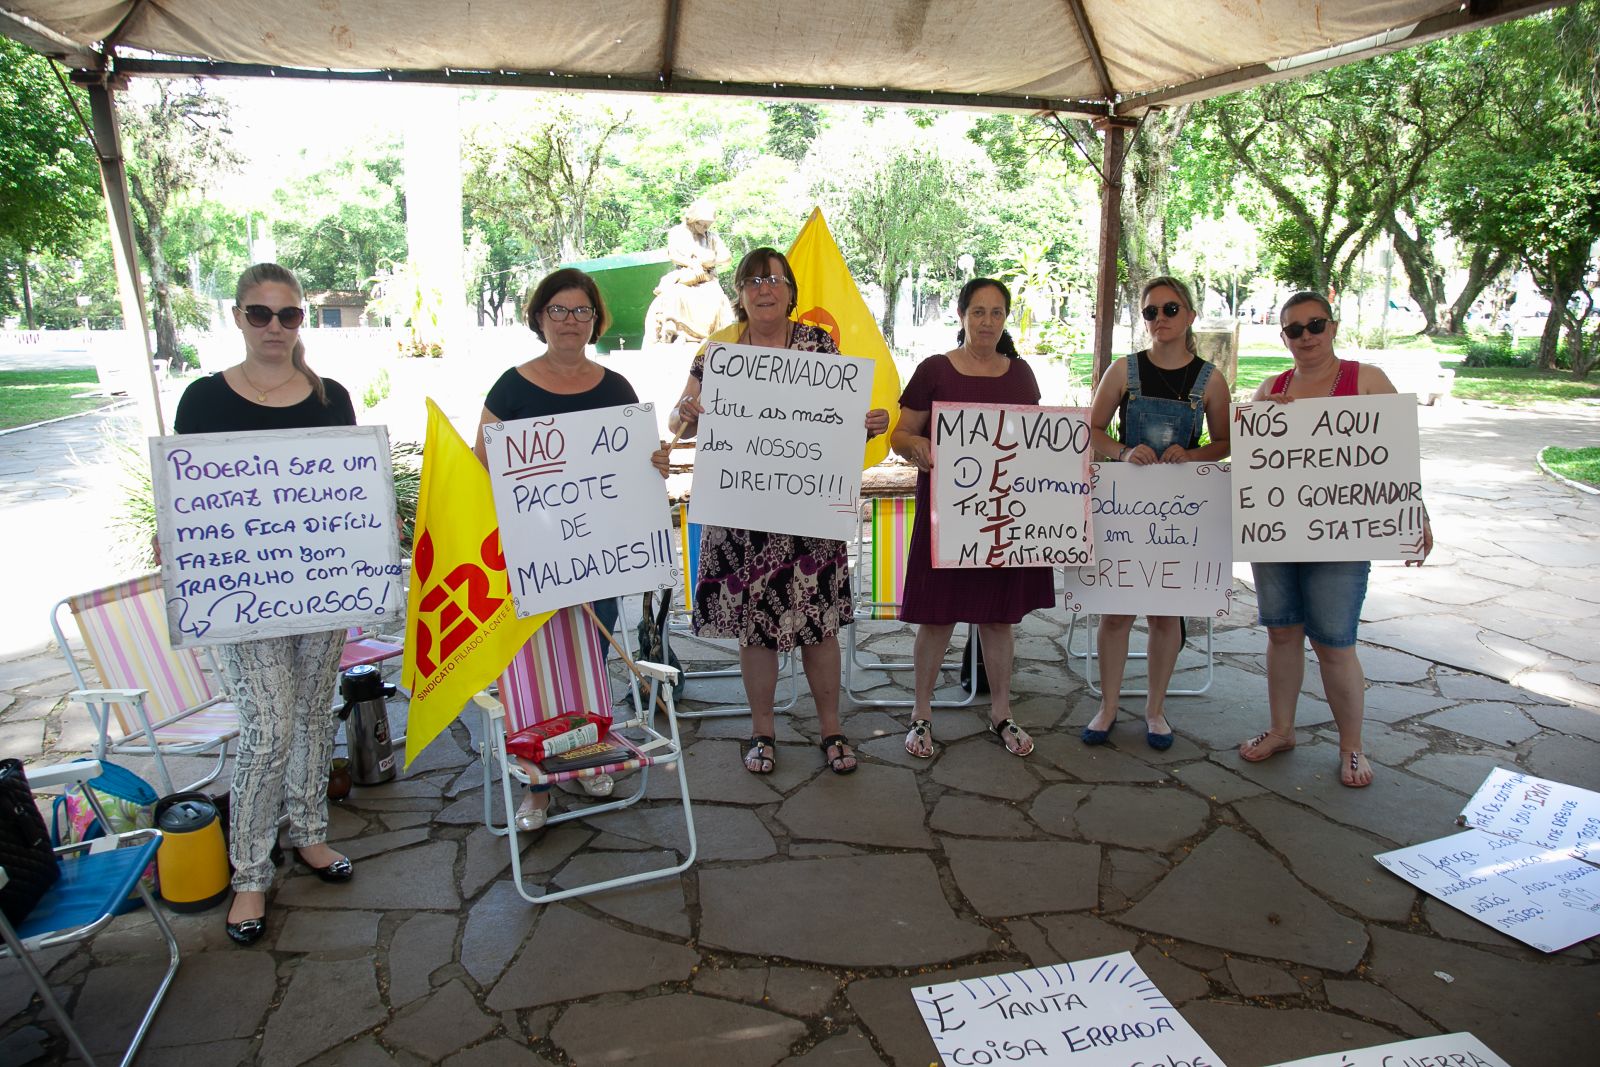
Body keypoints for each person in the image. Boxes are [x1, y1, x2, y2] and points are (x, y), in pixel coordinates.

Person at [172, 263, 359, 946]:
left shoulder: (330, 397)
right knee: (270, 725)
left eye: (289, 315)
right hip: (240, 593)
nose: (275, 327)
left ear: (301, 321)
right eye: (260, 314)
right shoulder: (203, 399)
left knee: (312, 713)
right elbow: (188, 497)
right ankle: (250, 870)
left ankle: (308, 834)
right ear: (238, 317)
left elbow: (348, 490)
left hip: (320, 585)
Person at [668, 246, 889, 776]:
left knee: (821, 626)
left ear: (790, 291)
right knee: (754, 628)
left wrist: (867, 422)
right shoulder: (717, 353)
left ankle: (831, 728)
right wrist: (687, 412)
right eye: (753, 280)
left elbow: (839, 420)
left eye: (774, 279)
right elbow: (684, 421)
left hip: (809, 515)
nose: (765, 288)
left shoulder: (818, 345)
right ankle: (761, 732)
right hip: (742, 516)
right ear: (740, 294)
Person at [1236, 291, 1433, 787]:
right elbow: (1250, 468)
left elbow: (1397, 454)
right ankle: (1282, 729)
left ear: (1333, 326)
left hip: (1341, 537)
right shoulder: (1270, 387)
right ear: (1283, 336)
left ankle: (1352, 747)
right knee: (1281, 632)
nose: (1306, 337)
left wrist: (1415, 511)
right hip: (1277, 535)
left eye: (1315, 325)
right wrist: (1264, 417)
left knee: (1335, 643)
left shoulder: (1365, 380)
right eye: (1295, 329)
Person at [474, 267, 642, 831]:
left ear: (595, 320)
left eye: (582, 311)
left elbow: (634, 467)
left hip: (598, 556)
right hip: (530, 559)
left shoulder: (617, 388)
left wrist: (654, 463)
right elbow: (482, 466)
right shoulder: (511, 387)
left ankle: (586, 759)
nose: (571, 321)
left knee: (589, 663)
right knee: (531, 673)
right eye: (559, 310)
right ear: (539, 317)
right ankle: (535, 788)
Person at [890, 278, 1055, 759]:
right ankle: (921, 714)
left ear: (1006, 318)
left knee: (999, 619)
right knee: (936, 619)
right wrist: (916, 446)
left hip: (1004, 516)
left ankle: (1001, 711)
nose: (987, 322)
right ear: (961, 315)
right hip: (948, 518)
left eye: (996, 312)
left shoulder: (1021, 375)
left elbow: (1036, 440)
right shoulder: (933, 370)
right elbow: (899, 435)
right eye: (978, 311)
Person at [1082, 277, 1231, 750]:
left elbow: (1227, 442)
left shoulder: (1211, 379)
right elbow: (1091, 431)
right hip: (1126, 513)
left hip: (1180, 518)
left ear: (1190, 315)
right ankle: (1107, 706)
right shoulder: (1124, 371)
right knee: (1116, 615)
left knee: (1166, 617)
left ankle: (1155, 709)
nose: (1160, 319)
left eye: (1170, 310)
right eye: (1151, 312)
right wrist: (1124, 452)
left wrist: (1196, 457)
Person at [650, 199, 734, 343]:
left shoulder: (712, 237)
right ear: (694, 219)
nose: (706, 227)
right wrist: (693, 264)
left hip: (707, 278)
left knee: (717, 298)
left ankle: (711, 335)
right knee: (675, 294)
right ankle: (672, 328)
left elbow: (727, 257)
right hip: (685, 275)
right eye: (703, 224)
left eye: (709, 224)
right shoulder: (677, 232)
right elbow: (673, 255)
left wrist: (711, 261)